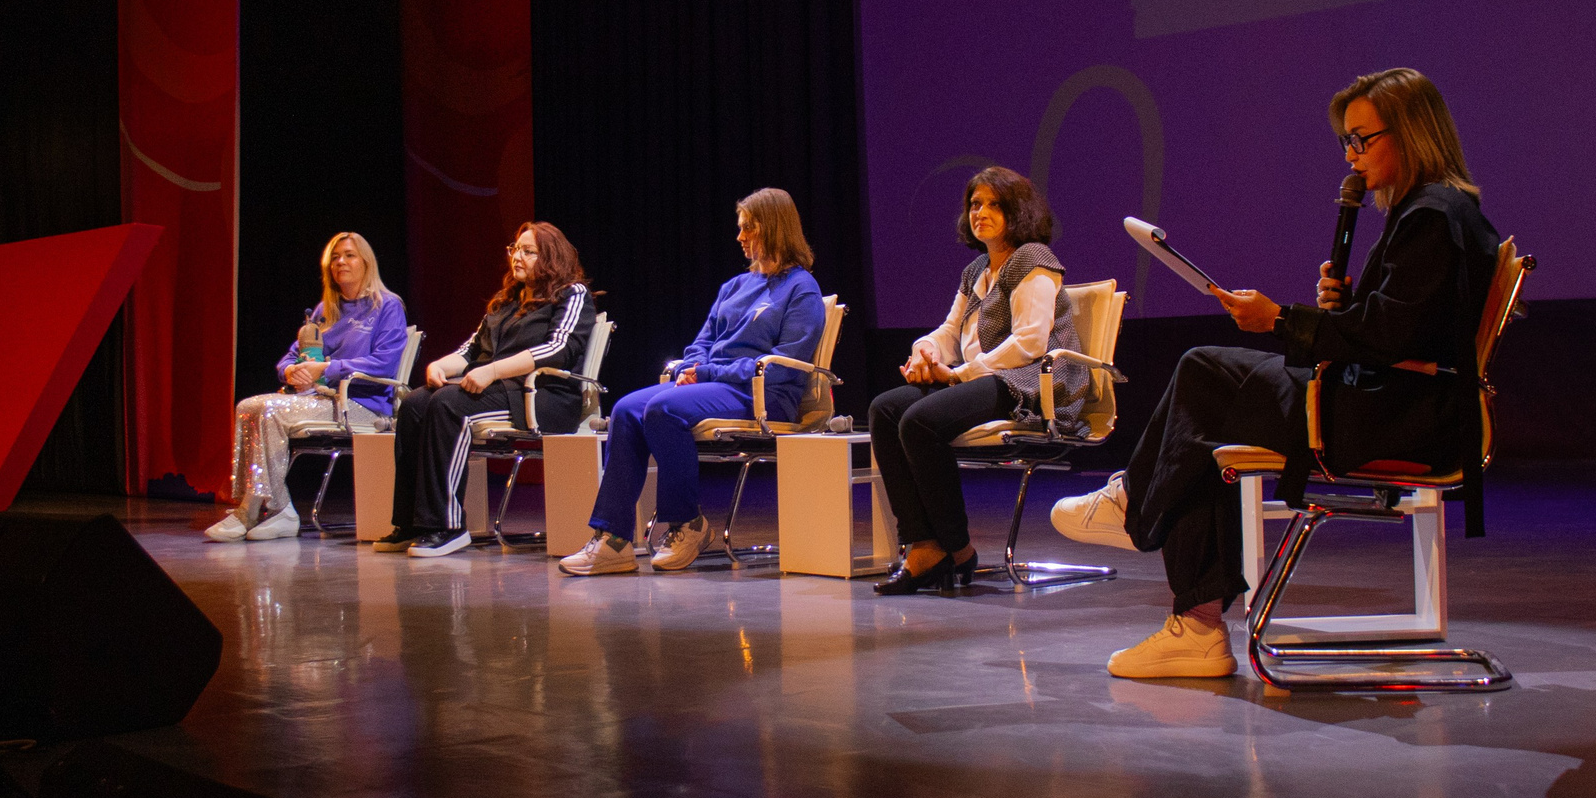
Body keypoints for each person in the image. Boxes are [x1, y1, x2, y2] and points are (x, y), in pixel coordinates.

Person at [1053, 67, 1499, 678]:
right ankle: (1191, 614)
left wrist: (1283, 320)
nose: (1352, 155)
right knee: (1207, 420)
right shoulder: (1440, 212)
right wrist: (1335, 312)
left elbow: (1389, 337)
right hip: (1393, 403)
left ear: (1414, 131)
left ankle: (1142, 517)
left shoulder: (1432, 217)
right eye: (1347, 140)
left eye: (1363, 138)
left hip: (1391, 416)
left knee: (1204, 373)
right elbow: (1397, 326)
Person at [560, 189, 826, 575]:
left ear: (773, 228)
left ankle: (688, 525)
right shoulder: (735, 286)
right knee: (626, 409)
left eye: (748, 229)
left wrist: (707, 372)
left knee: (664, 408)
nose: (739, 238)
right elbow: (703, 341)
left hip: (765, 395)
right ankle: (613, 538)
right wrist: (695, 364)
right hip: (714, 387)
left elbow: (784, 367)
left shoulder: (801, 289)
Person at [867, 167, 1088, 595]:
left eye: (992, 204)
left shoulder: (1033, 259)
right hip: (987, 379)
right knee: (885, 409)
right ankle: (923, 545)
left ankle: (957, 548)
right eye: (974, 204)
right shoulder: (976, 271)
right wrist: (925, 352)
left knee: (920, 421)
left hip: (1031, 383)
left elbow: (1029, 342)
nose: (980, 212)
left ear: (1017, 211)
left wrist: (962, 373)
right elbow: (950, 331)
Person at [376, 221, 599, 559]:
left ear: (551, 257)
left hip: (543, 396)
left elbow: (557, 349)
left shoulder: (571, 294)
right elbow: (469, 351)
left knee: (449, 404)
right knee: (416, 403)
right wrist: (439, 366)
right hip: (499, 389)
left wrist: (492, 370)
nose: (517, 257)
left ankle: (447, 527)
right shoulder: (506, 301)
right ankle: (411, 522)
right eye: (515, 250)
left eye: (528, 251)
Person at [205, 232, 409, 542]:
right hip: (319, 398)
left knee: (272, 410)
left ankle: (253, 511)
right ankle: (280, 509)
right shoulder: (325, 309)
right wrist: (290, 372)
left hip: (363, 406)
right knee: (248, 407)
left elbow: (384, 364)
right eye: (336, 257)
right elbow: (291, 356)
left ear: (367, 262)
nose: (341, 261)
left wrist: (326, 368)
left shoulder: (387, 306)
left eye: (350, 255)